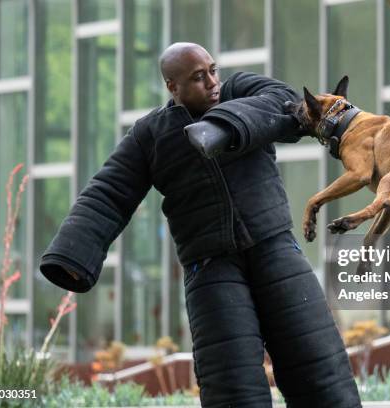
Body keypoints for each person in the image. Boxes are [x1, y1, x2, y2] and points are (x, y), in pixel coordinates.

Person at [40, 42, 362, 408]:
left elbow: (286, 103)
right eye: (197, 77)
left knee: (320, 372)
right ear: (172, 87)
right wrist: (70, 258)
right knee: (233, 389)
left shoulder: (240, 90)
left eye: (212, 69)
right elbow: (108, 193)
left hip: (276, 250)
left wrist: (224, 125)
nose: (212, 82)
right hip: (209, 269)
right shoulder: (150, 135)